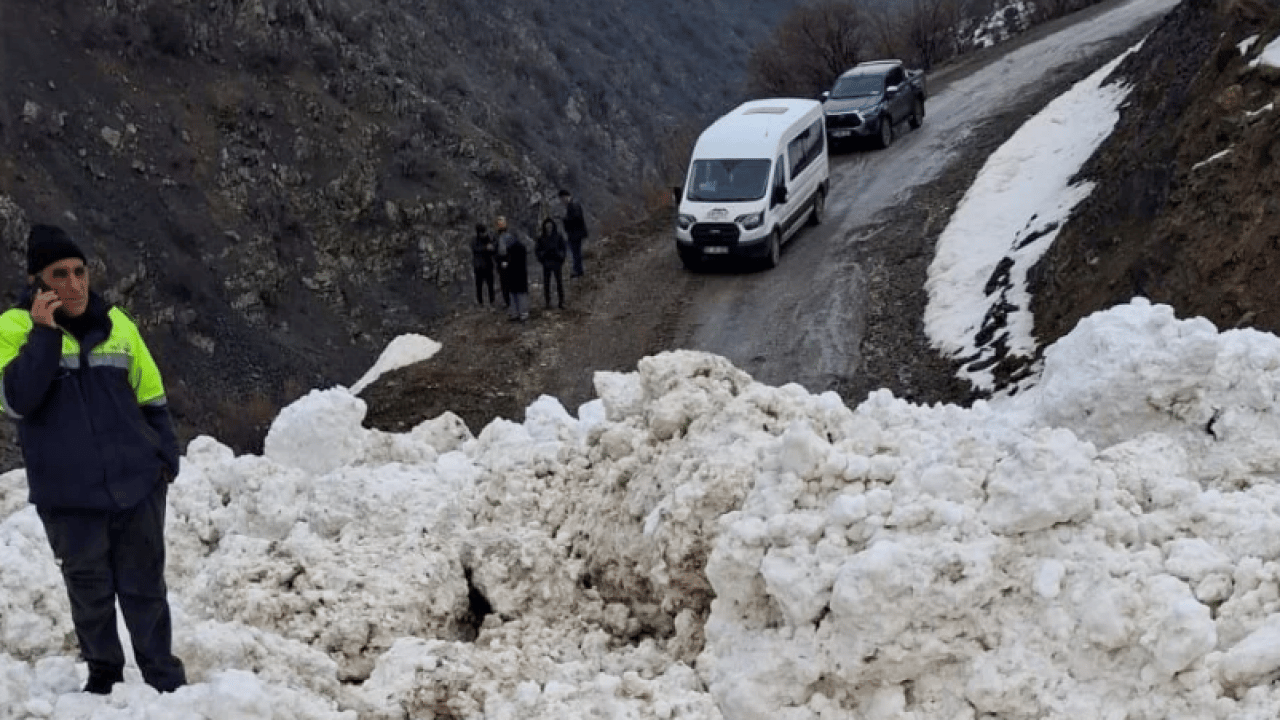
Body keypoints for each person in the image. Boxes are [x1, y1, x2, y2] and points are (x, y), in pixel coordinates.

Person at [0, 224, 186, 695]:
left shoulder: (118, 324)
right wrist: (43, 336)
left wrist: (164, 459)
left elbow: (152, 396)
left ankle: (164, 680)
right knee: (90, 593)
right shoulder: (11, 330)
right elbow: (17, 400)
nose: (74, 283)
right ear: (35, 282)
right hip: (68, 496)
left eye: (80, 271)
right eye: (59, 274)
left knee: (146, 590)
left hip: (136, 484)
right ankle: (104, 680)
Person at [495, 216, 529, 322]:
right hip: (512, 274)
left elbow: (517, 261)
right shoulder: (513, 248)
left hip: (518, 274)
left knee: (519, 294)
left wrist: (507, 264)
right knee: (513, 293)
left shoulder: (518, 249)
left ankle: (522, 313)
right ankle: (515, 313)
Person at [534, 217, 567, 310]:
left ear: (553, 227)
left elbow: (563, 248)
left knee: (559, 283)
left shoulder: (558, 236)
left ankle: (561, 302)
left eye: (550, 226)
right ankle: (548, 302)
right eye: (547, 227)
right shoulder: (541, 238)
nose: (549, 228)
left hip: (556, 261)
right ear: (544, 227)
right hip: (547, 262)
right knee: (546, 283)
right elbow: (537, 250)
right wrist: (542, 257)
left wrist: (561, 257)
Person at [558, 189, 588, 278]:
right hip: (575, 233)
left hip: (576, 234)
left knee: (576, 253)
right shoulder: (572, 204)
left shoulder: (573, 205)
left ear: (565, 197)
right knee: (575, 252)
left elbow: (576, 218)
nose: (562, 201)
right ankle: (578, 270)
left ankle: (579, 271)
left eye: (562, 199)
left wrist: (565, 219)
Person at [471, 223, 497, 307]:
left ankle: (491, 301)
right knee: (479, 285)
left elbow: (493, 250)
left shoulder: (488, 239)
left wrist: (491, 246)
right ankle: (480, 302)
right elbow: (476, 249)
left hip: (487, 265)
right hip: (479, 266)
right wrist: (486, 248)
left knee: (490, 285)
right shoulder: (475, 240)